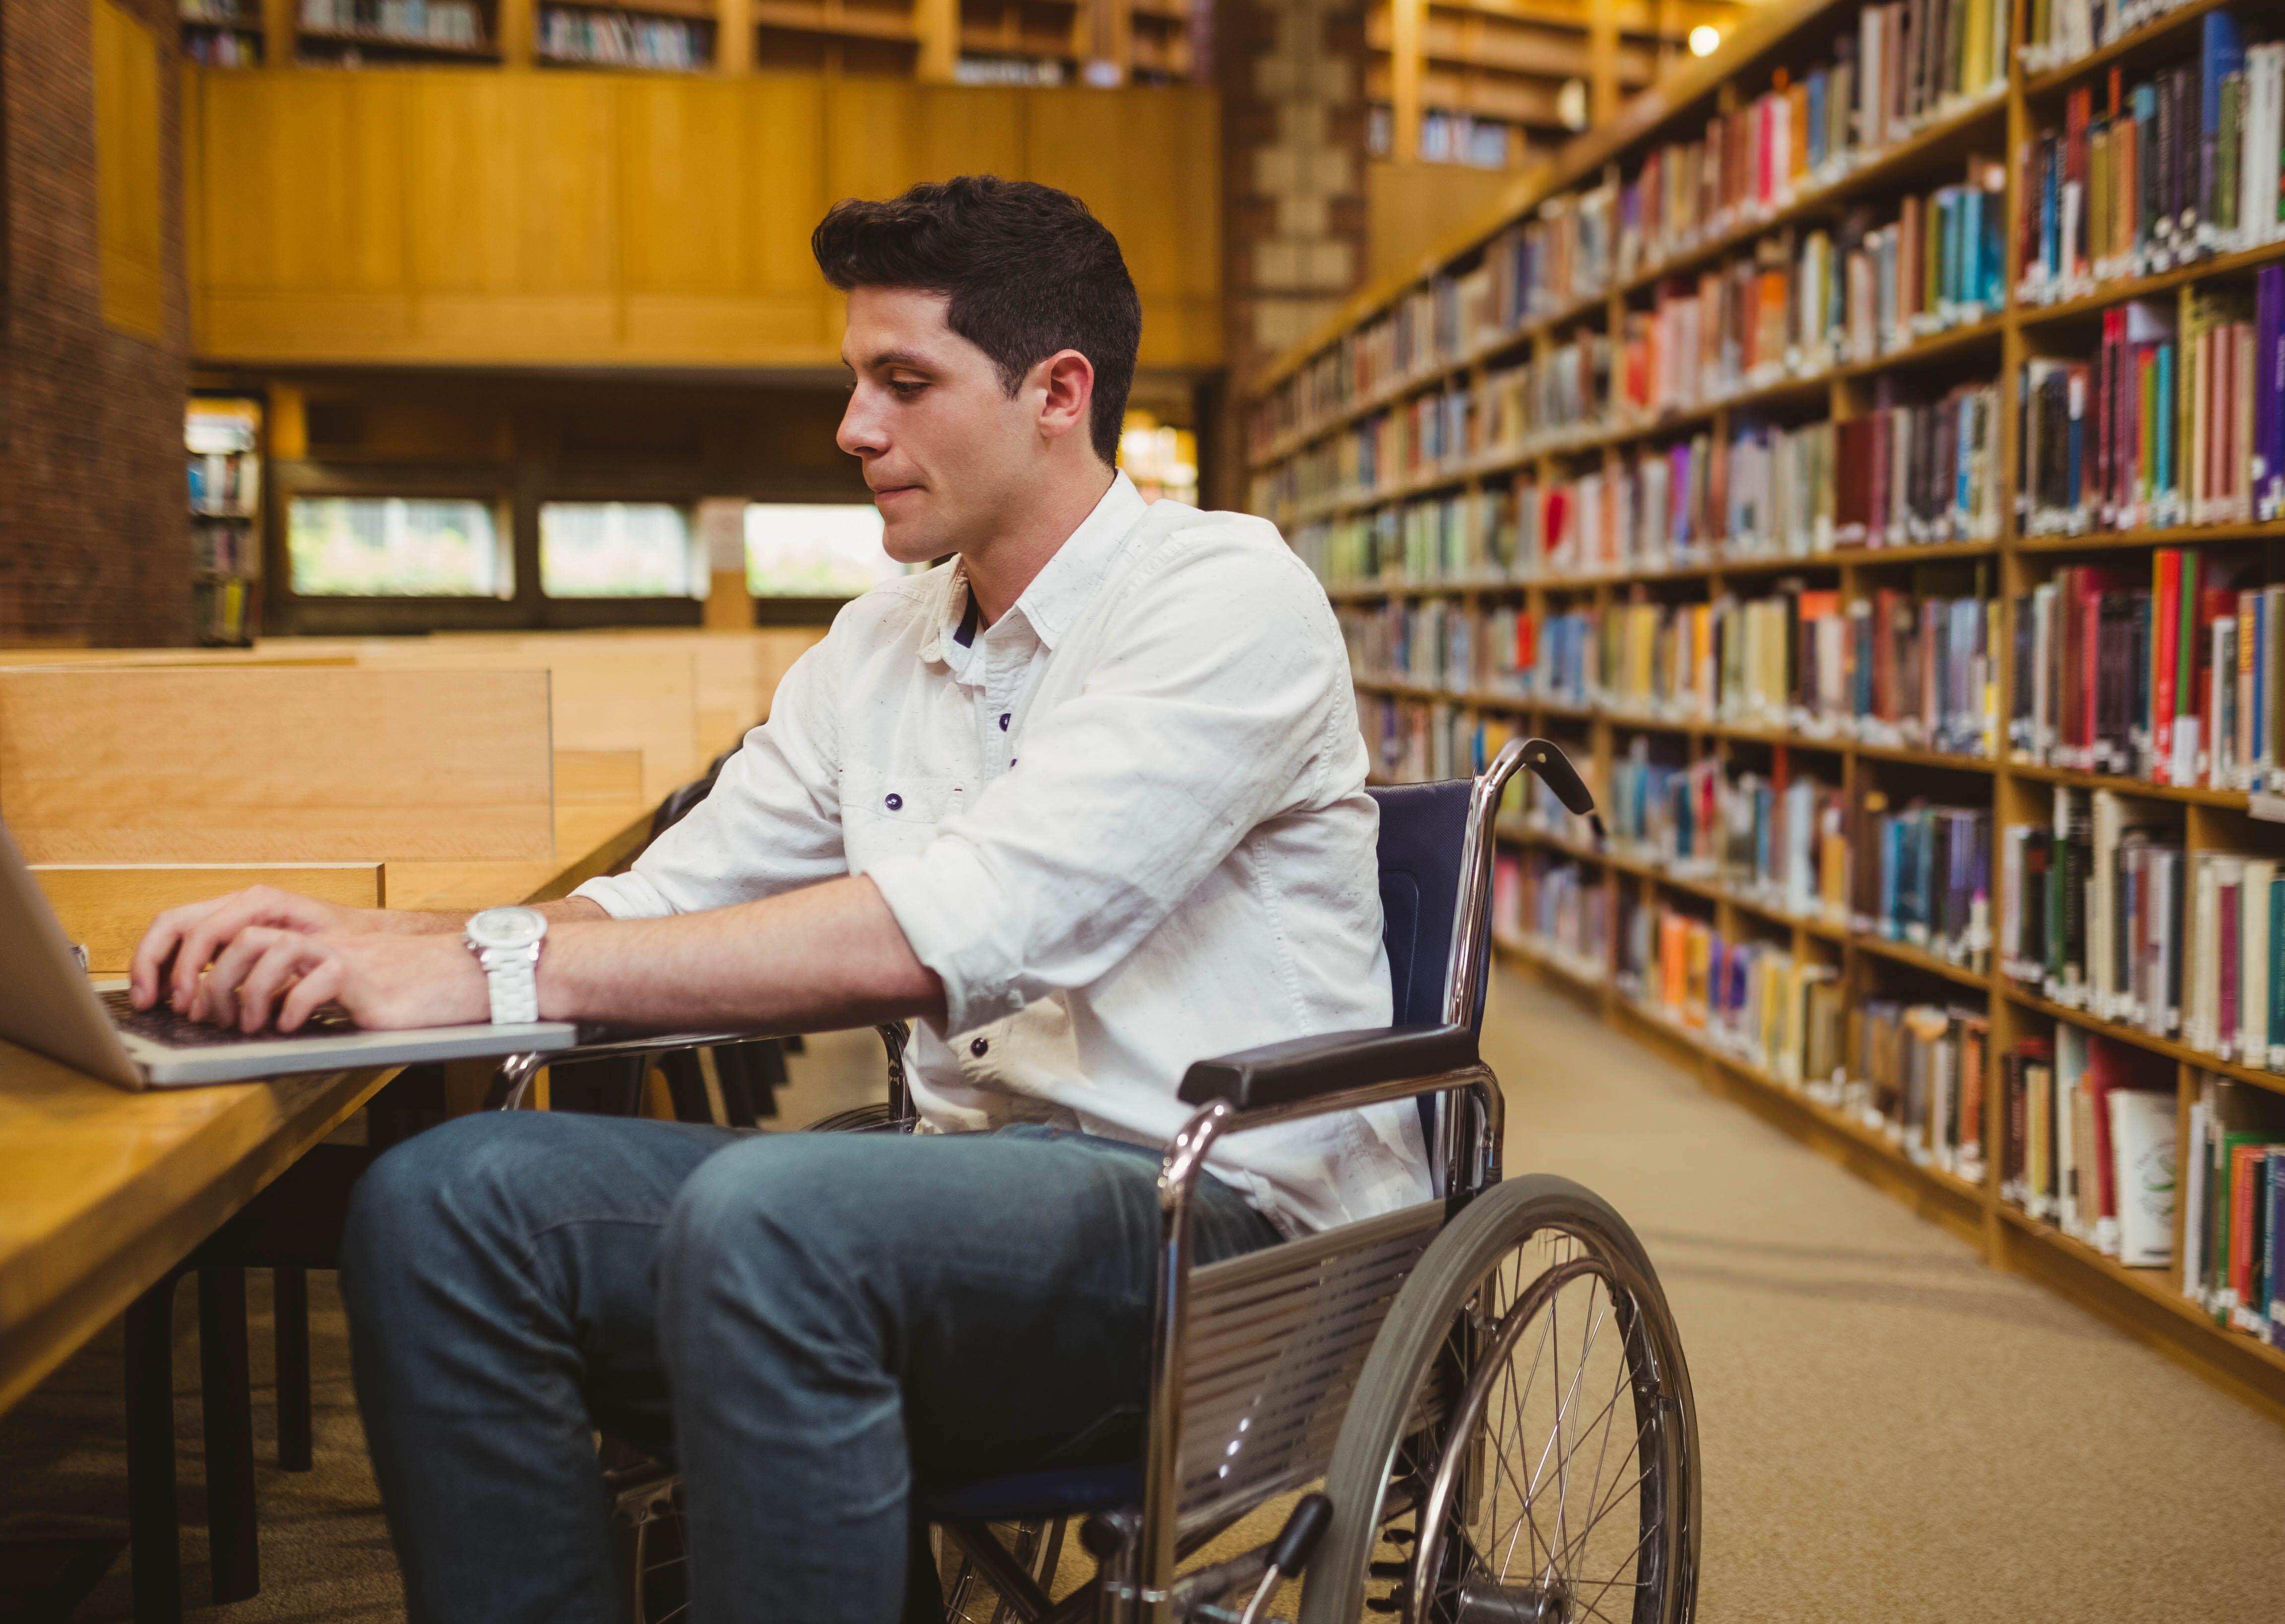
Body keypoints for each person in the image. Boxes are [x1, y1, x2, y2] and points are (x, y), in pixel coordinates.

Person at [127, 176, 1428, 1624]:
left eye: (902, 380)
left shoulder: (1224, 595)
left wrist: (490, 972)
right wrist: (373, 941)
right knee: (442, 1204)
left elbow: (958, 929)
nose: (852, 427)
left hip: (1222, 1222)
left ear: (1058, 392)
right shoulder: (877, 645)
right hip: (943, 1200)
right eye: (853, 379)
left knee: (774, 1213)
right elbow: (665, 897)